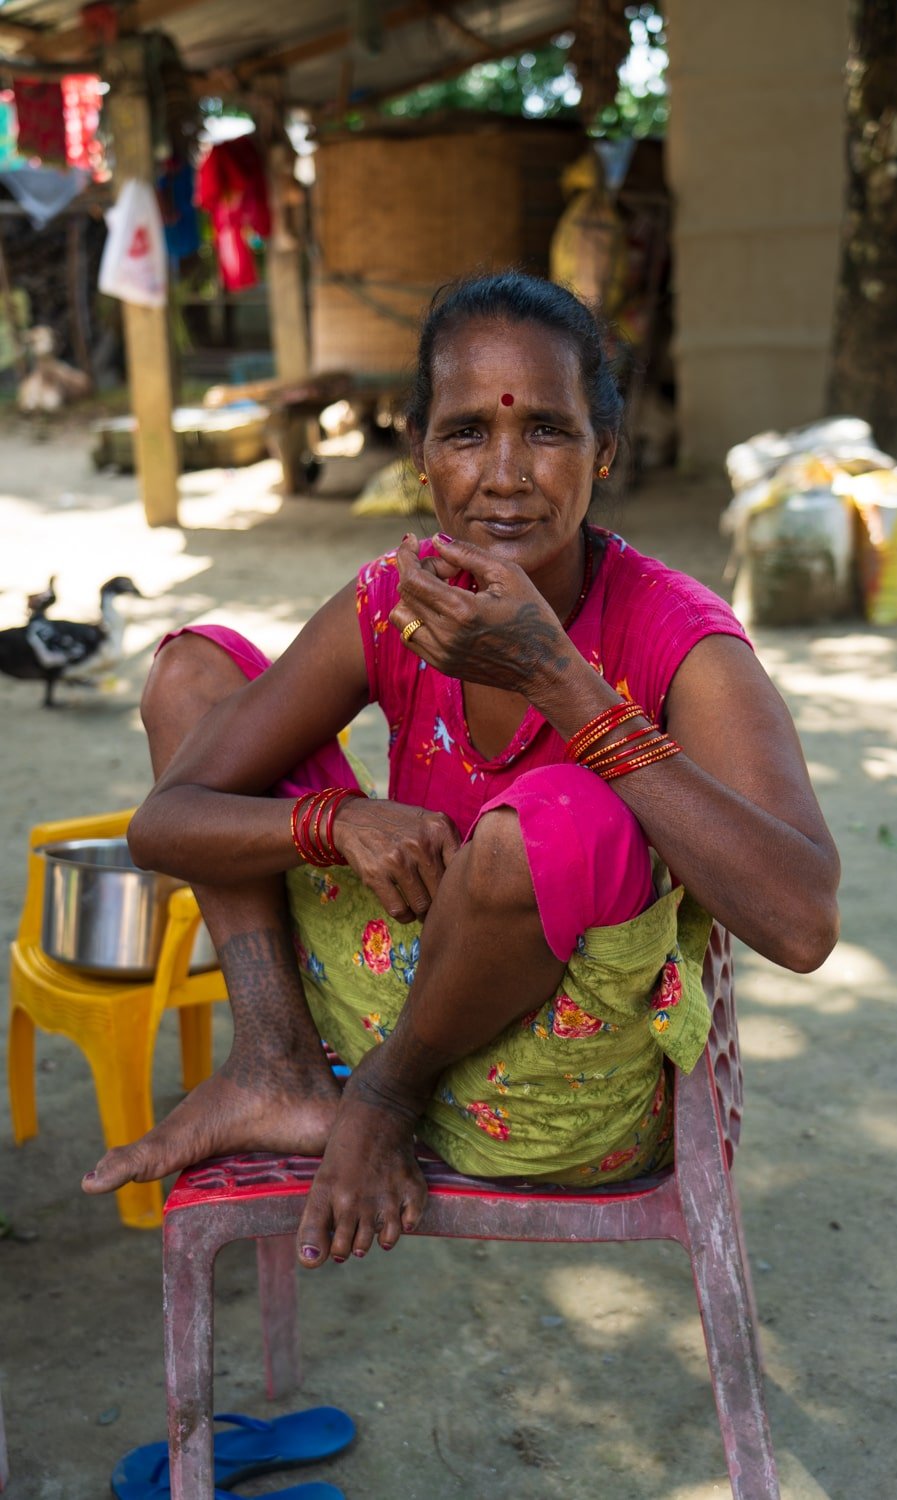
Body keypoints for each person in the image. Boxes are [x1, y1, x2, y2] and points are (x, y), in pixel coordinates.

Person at [83, 271, 839, 1266]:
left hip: (553, 1073)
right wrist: (336, 822)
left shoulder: (676, 635)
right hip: (387, 986)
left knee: (554, 814)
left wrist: (565, 686)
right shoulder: (394, 604)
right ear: (420, 456)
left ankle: (381, 1098)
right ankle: (280, 1068)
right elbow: (163, 825)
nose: (506, 475)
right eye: (467, 432)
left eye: (548, 432)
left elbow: (802, 923)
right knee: (192, 670)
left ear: (602, 450)